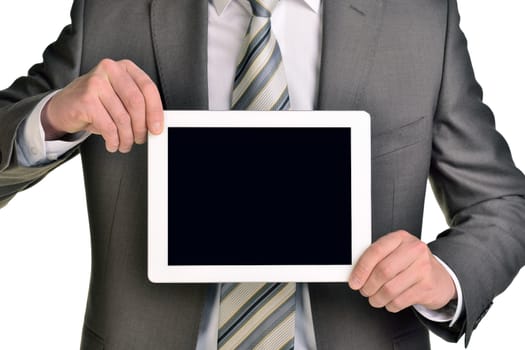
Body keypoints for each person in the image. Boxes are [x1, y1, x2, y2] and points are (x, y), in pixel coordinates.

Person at [1, 0, 524, 349]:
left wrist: (443, 276)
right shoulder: (117, 10)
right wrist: (50, 115)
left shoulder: (418, 16)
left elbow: (502, 204)